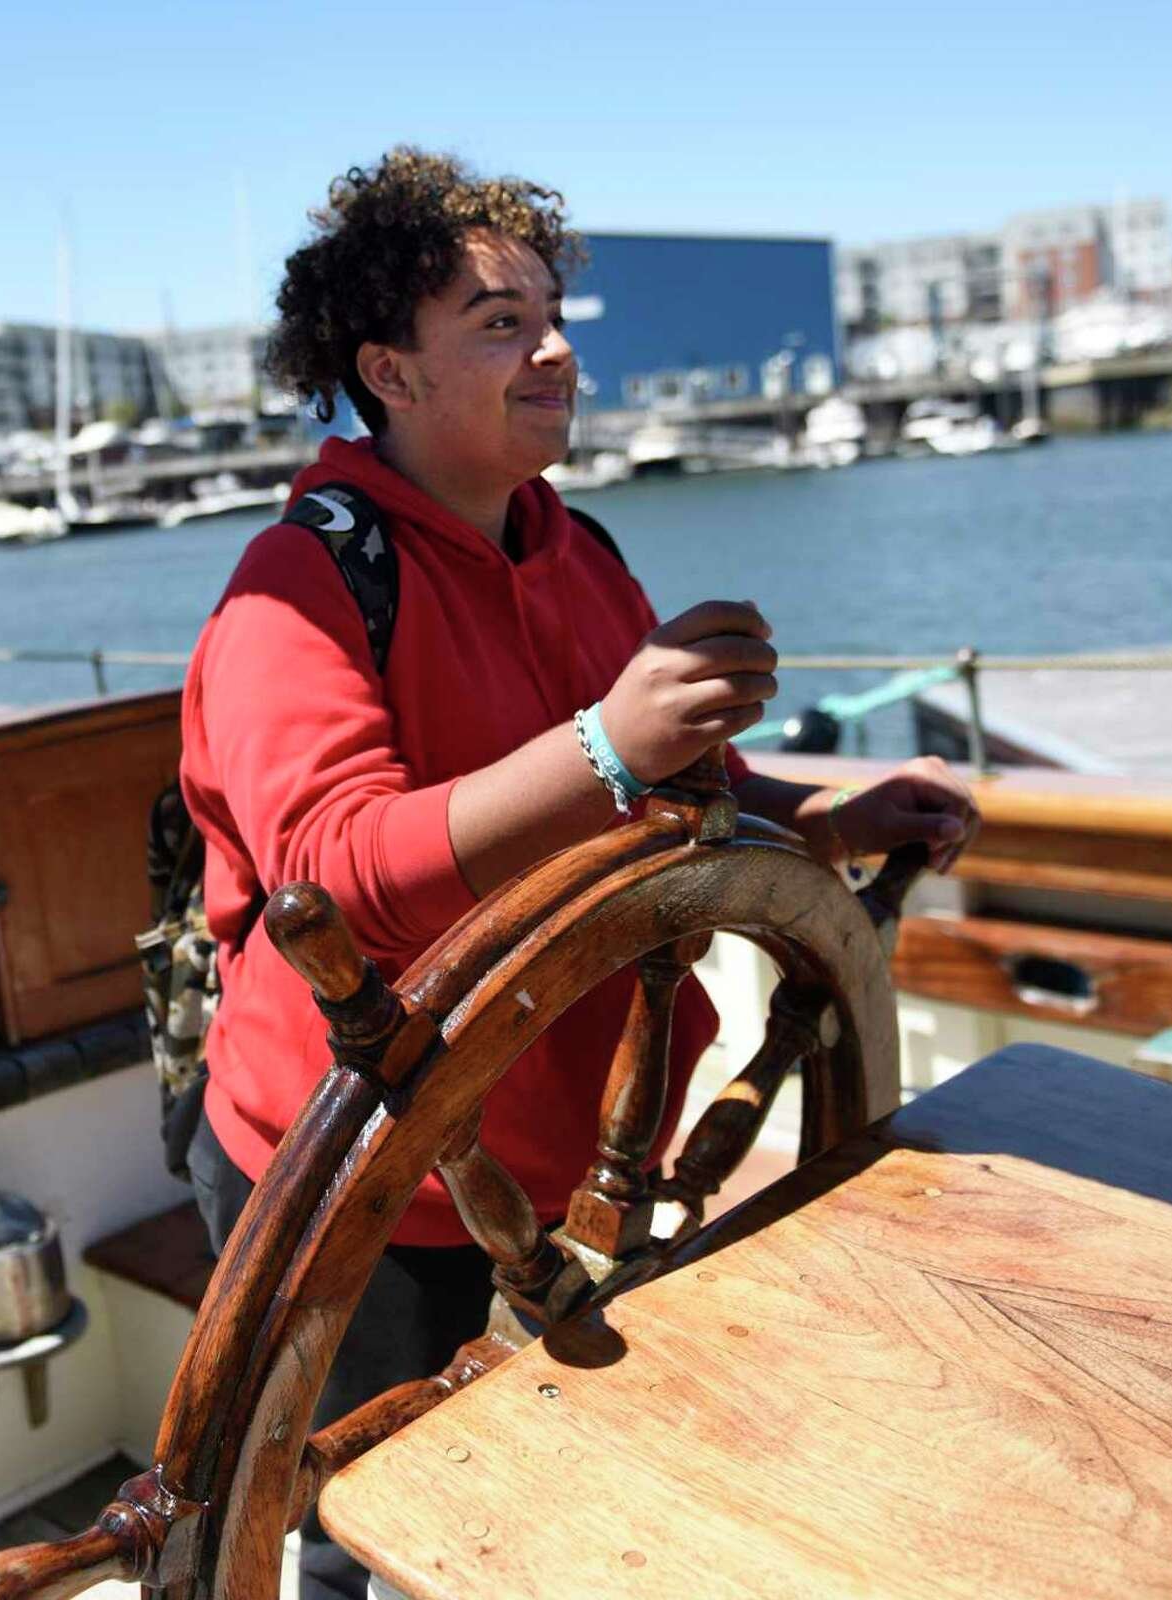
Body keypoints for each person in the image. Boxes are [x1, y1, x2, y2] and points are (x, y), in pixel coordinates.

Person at [177, 148, 979, 1598]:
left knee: (519, 1517)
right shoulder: (295, 588)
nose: (554, 346)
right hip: (374, 1178)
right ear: (390, 373)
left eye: (552, 312)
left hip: (571, 1166)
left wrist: (840, 815)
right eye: (499, 322)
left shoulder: (576, 546)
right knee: (372, 1545)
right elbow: (334, 886)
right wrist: (608, 741)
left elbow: (683, 798)